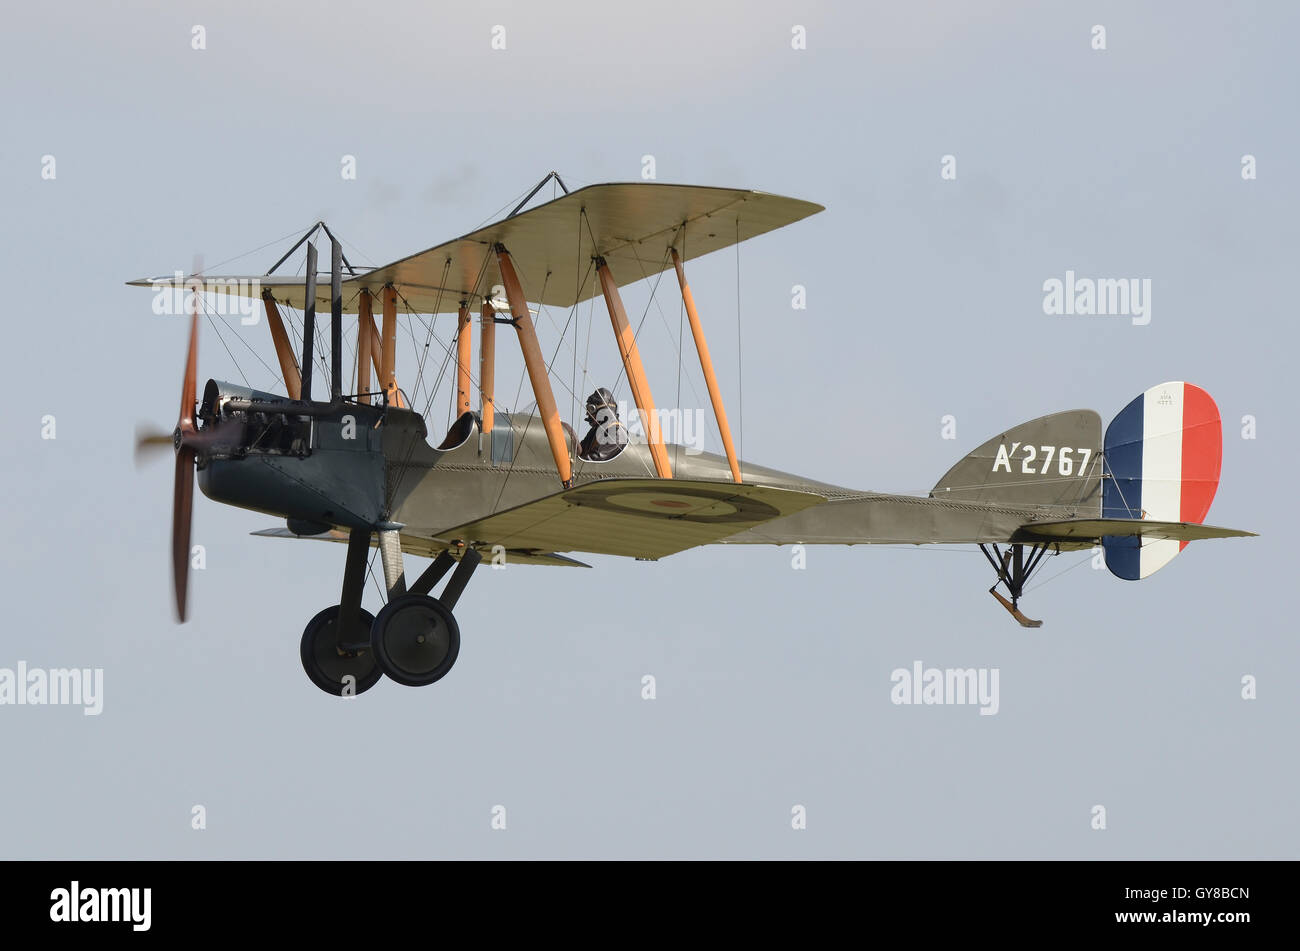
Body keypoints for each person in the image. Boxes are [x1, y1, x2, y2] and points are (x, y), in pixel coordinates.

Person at [579, 387, 627, 462]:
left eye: (591, 409)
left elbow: (594, 459)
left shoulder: (615, 433)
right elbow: (581, 449)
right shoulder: (596, 430)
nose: (587, 413)